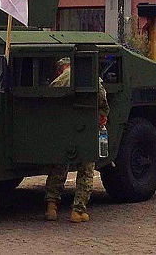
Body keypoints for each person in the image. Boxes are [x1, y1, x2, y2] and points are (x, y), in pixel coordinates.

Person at [44, 57, 109, 223]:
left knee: (58, 167)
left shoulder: (57, 83)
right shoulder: (90, 78)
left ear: (60, 70)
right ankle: (78, 211)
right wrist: (103, 114)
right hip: (85, 128)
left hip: (63, 129)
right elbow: (102, 99)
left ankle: (51, 208)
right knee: (86, 169)